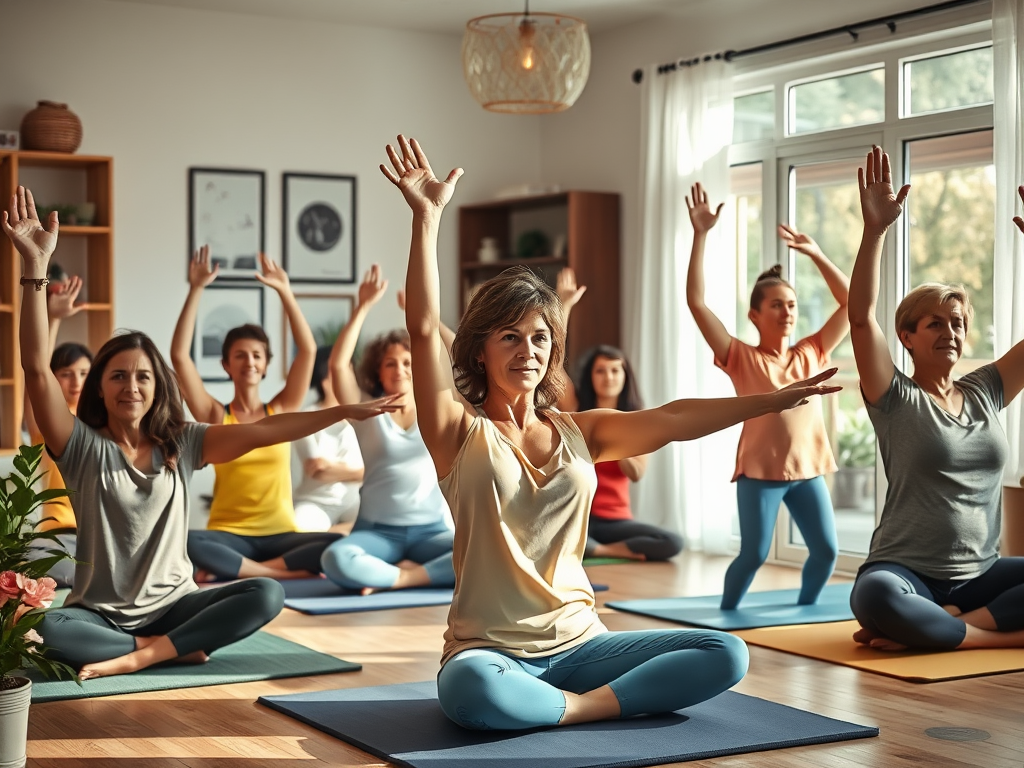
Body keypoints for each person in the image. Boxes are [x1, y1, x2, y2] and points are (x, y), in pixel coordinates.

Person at [382, 134, 840, 731]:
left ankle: (575, 709)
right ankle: (591, 707)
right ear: (479, 349)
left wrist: (769, 400)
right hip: (490, 654)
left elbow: (672, 420)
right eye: (510, 336)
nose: (529, 350)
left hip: (581, 648)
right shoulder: (456, 432)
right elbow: (421, 327)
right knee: (468, 688)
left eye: (541, 337)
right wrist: (427, 217)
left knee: (725, 652)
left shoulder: (581, 431)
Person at [3, 186, 399, 679]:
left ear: (157, 387)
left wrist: (340, 410)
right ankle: (167, 648)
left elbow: (268, 431)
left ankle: (143, 652)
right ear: (100, 389)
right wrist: (35, 267)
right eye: (118, 376)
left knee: (266, 592)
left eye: (143, 376)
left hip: (175, 606)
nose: (132, 386)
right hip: (100, 611)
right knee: (48, 628)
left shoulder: (183, 442)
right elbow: (37, 370)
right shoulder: (80, 445)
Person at [847, 147, 1024, 651]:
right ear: (907, 337)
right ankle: (988, 633)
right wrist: (875, 231)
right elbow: (860, 318)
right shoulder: (895, 396)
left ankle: (948, 626)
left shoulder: (986, 389)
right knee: (876, 596)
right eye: (934, 324)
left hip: (980, 575)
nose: (949, 331)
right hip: (905, 572)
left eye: (958, 323)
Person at [685, 182, 847, 610]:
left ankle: (805, 612)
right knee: (754, 554)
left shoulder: (812, 351)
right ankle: (726, 614)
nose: (787, 311)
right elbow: (696, 302)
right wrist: (701, 235)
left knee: (826, 551)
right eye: (776, 304)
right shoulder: (740, 357)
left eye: (791, 304)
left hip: (807, 473)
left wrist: (816, 255)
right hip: (759, 475)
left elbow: (853, 302)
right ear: (755, 314)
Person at [171, 245, 342, 581]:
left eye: (256, 356)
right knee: (188, 541)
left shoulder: (280, 411)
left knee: (334, 544)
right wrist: (196, 289)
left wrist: (285, 291)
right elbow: (179, 356)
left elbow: (307, 350)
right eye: (239, 356)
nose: (248, 362)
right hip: (230, 535)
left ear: (265, 365)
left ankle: (248, 572)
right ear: (225, 365)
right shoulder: (215, 416)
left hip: (281, 536)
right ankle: (279, 573)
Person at [318, 266, 455, 594]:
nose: (400, 369)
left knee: (486, 552)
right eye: (390, 363)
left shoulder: (440, 409)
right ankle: (410, 573)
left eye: (408, 362)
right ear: (378, 371)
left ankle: (399, 577)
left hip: (432, 532)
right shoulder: (367, 413)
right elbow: (338, 365)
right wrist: (362, 306)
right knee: (336, 558)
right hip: (377, 533)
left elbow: (459, 359)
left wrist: (427, 319)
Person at [556, 268, 682, 562]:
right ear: (591, 376)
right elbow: (552, 364)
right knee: (545, 530)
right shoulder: (577, 410)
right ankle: (605, 551)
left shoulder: (639, 420)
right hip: (579, 513)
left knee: (671, 542)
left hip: (615, 520)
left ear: (626, 375)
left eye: (616, 370)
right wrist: (564, 306)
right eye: (601, 370)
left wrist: (614, 439)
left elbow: (636, 473)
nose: (609, 376)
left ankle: (598, 547)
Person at [23, 276, 91, 587]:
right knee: (32, 565)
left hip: (100, 535)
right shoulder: (48, 424)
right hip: (58, 536)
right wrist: (52, 319)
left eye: (84, 373)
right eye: (66, 374)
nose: (76, 382)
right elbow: (36, 370)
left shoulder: (103, 423)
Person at [291, 345, 364, 532]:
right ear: (325, 381)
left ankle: (333, 534)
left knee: (383, 525)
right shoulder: (306, 417)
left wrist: (331, 467)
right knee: (300, 531)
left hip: (354, 501)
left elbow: (377, 467)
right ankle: (337, 533)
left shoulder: (364, 417)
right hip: (315, 502)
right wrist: (359, 472)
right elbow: (317, 472)